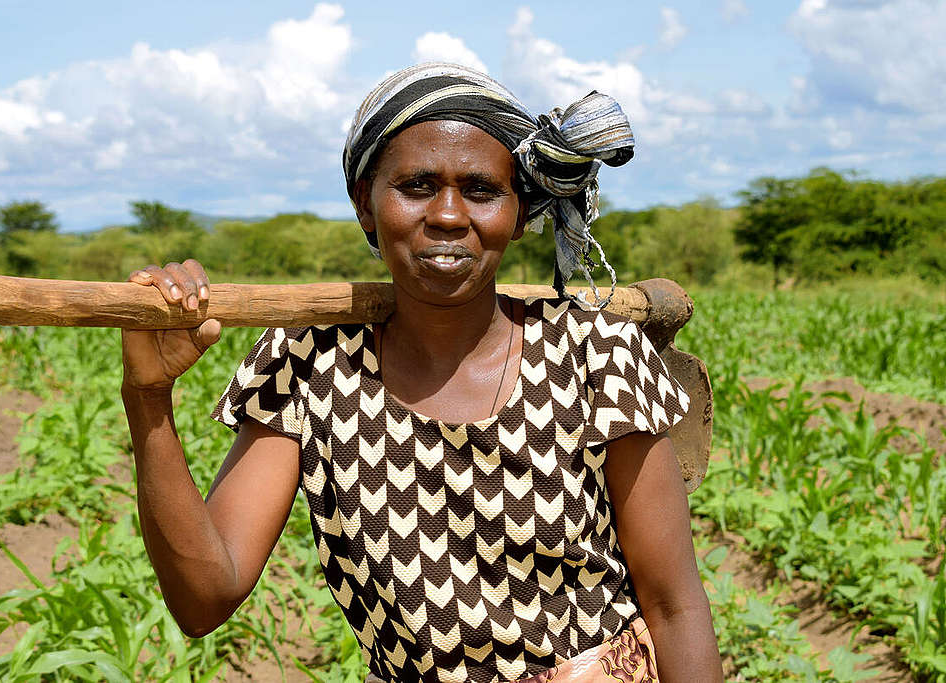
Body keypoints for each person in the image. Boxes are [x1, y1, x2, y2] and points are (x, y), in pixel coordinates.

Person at [121, 63, 723, 683]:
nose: (448, 215)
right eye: (416, 185)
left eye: (482, 190)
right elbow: (204, 599)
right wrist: (148, 398)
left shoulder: (594, 353)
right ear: (365, 207)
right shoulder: (312, 363)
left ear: (518, 215)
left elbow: (674, 608)